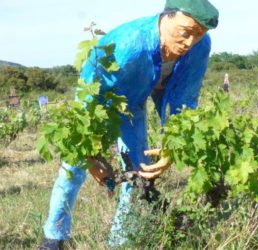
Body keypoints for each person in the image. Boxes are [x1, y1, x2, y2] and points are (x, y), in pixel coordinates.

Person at [38, 0, 219, 249]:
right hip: (96, 107)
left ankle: (120, 242)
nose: (190, 42)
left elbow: (185, 99)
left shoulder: (199, 48)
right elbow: (88, 99)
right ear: (165, 17)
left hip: (133, 106)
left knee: (139, 173)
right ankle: (54, 237)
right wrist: (91, 159)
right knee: (72, 169)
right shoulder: (128, 43)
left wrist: (173, 146)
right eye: (185, 32)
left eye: (198, 34)